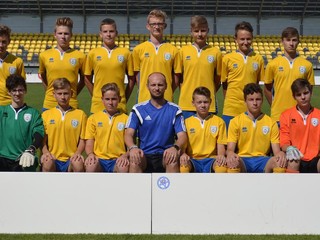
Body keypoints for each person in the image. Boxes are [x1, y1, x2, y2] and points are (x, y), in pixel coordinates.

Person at [125, 72, 187, 173]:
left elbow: (182, 136)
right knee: (135, 160)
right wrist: (133, 147)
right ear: (147, 87)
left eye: (160, 85)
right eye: (153, 85)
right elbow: (128, 133)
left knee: (172, 160)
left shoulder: (175, 110)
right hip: (144, 154)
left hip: (165, 154)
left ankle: (172, 189)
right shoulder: (138, 109)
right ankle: (136, 189)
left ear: (166, 86)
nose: (157, 88)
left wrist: (175, 147)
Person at [226, 83, 286, 173]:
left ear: (262, 101)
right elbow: (230, 149)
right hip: (243, 159)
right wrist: (230, 153)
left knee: (279, 164)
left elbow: (276, 151)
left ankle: (274, 187)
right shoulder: (235, 121)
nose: (255, 103)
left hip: (263, 160)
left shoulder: (271, 122)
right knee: (233, 164)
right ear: (245, 101)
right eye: (251, 100)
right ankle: (235, 187)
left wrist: (280, 153)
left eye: (258, 99)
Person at [264, 27, 315, 123]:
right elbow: (267, 89)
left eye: (294, 40)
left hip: (300, 115)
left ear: (298, 42)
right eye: (288, 40)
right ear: (282, 41)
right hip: (278, 116)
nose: (291, 44)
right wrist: (274, 105)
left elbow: (310, 89)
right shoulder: (272, 64)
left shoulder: (307, 65)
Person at [84, 18, 134, 114]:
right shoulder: (92, 53)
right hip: (98, 105)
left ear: (116, 33)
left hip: (120, 105)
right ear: (100, 34)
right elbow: (87, 78)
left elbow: (131, 79)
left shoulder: (125, 53)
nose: (108, 34)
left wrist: (123, 98)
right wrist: (96, 96)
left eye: (111, 31)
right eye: (105, 31)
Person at [221, 21, 264, 129]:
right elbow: (224, 84)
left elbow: (257, 83)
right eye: (242, 39)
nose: (245, 42)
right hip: (231, 109)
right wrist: (230, 100)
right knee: (229, 144)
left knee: (248, 144)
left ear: (252, 38)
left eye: (248, 39)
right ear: (236, 39)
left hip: (250, 110)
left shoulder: (258, 59)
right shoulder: (227, 58)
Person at [132, 9, 181, 103]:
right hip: (144, 99)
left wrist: (167, 91)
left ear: (165, 26)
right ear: (148, 26)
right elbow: (136, 75)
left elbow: (176, 78)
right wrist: (144, 89)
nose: (156, 27)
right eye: (153, 24)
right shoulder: (138, 50)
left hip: (166, 100)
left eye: (160, 24)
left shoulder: (174, 50)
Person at [179, 15, 222, 119]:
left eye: (203, 30)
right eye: (196, 31)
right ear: (191, 32)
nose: (199, 34)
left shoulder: (216, 52)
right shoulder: (183, 51)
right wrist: (187, 91)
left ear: (208, 31)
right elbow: (179, 78)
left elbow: (218, 79)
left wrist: (208, 92)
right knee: (186, 135)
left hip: (207, 105)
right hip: (186, 104)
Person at [39, 17, 86, 111]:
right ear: (55, 35)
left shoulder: (80, 56)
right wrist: (49, 90)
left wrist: (74, 92)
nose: (63, 36)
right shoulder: (44, 55)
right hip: (49, 103)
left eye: (66, 33)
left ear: (71, 35)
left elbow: (84, 80)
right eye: (60, 33)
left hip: (71, 103)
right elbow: (42, 75)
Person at [41, 78, 87, 172]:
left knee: (78, 164)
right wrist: (46, 152)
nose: (63, 97)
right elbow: (42, 139)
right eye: (59, 94)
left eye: (66, 93)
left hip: (71, 158)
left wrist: (78, 153)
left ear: (71, 93)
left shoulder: (80, 114)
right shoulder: (46, 115)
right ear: (54, 94)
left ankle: (78, 187)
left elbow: (83, 139)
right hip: (53, 157)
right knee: (47, 162)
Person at [0, 75, 44, 171]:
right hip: (2, 157)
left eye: (20, 90)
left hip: (24, 156)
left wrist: (31, 149)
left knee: (27, 167)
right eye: (14, 90)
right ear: (9, 92)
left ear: (25, 91)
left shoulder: (34, 113)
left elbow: (39, 133)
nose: (17, 93)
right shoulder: (1, 111)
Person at [179, 87, 227, 173]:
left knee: (221, 167)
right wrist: (183, 154)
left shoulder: (219, 122)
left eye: (205, 102)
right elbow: (183, 146)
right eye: (199, 102)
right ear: (193, 103)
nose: (203, 105)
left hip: (212, 159)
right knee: (183, 167)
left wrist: (221, 156)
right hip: (193, 159)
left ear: (210, 102)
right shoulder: (186, 122)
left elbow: (221, 146)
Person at [84, 82, 129, 173]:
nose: (110, 102)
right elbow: (89, 142)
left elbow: (130, 144)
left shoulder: (126, 119)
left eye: (114, 99)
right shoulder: (93, 118)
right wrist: (90, 154)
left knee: (123, 167)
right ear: (102, 100)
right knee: (91, 165)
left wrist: (125, 155)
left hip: (117, 159)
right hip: (99, 159)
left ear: (119, 99)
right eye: (107, 99)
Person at [280, 78, 320, 173]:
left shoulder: (318, 114)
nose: (303, 97)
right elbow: (284, 142)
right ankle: (291, 187)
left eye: (306, 93)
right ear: (294, 96)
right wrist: (289, 148)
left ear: (311, 92)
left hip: (316, 158)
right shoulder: (286, 115)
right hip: (296, 157)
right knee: (293, 161)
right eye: (299, 95)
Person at [0, 25, 26, 106]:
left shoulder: (17, 61)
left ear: (9, 41)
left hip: (10, 105)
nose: (1, 45)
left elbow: (22, 86)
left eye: (4, 42)